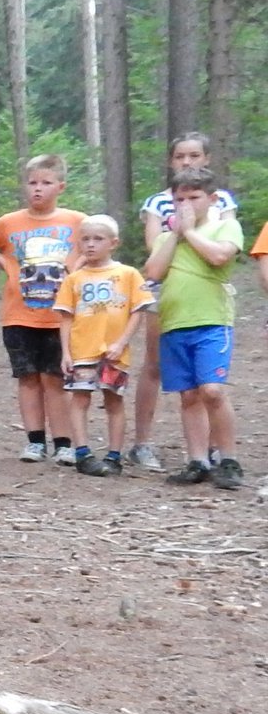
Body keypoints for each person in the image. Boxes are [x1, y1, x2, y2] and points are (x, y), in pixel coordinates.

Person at [128, 133, 241, 472]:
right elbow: (153, 270)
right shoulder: (167, 233)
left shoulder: (225, 226)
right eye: (180, 199)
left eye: (194, 198)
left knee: (212, 389)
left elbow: (220, 257)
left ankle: (227, 457)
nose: (187, 204)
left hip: (211, 319)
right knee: (188, 393)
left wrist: (189, 232)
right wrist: (177, 233)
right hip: (174, 320)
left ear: (211, 199)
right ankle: (197, 460)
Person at [0, 154, 83, 465]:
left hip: (60, 317)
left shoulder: (77, 221)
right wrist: (1, 259)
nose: (38, 189)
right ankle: (35, 442)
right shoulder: (9, 223)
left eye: (46, 183)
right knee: (28, 377)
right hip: (19, 314)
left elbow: (99, 246)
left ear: (60, 186)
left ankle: (64, 444)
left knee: (55, 379)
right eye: (32, 182)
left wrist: (79, 268)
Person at [52, 215, 151, 476]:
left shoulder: (128, 274)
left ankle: (114, 456)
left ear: (113, 243)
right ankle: (82, 453)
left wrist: (122, 342)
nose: (91, 244)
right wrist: (65, 352)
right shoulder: (74, 279)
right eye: (85, 239)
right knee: (80, 398)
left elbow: (137, 311)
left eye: (98, 239)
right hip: (81, 350)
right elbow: (66, 317)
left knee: (114, 399)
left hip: (114, 352)